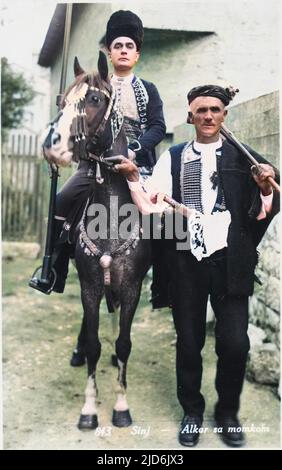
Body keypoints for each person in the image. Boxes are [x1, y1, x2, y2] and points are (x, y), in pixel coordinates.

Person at [113, 84, 280, 447]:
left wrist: (265, 187)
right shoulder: (172, 156)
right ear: (190, 116)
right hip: (185, 258)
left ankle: (227, 413)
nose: (208, 116)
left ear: (224, 115)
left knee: (235, 344)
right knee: (189, 341)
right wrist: (131, 176)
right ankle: (191, 410)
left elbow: (265, 205)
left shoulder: (243, 157)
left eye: (215, 110)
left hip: (230, 260)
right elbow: (151, 204)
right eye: (201, 110)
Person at [29, 10, 166, 296]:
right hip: (94, 165)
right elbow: (76, 119)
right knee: (61, 200)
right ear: (109, 52)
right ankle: (54, 270)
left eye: (130, 46)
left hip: (137, 166)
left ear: (137, 54)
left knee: (163, 217)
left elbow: (157, 126)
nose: (124, 51)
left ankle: (163, 282)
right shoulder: (92, 87)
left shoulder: (148, 90)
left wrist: (134, 150)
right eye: (118, 46)